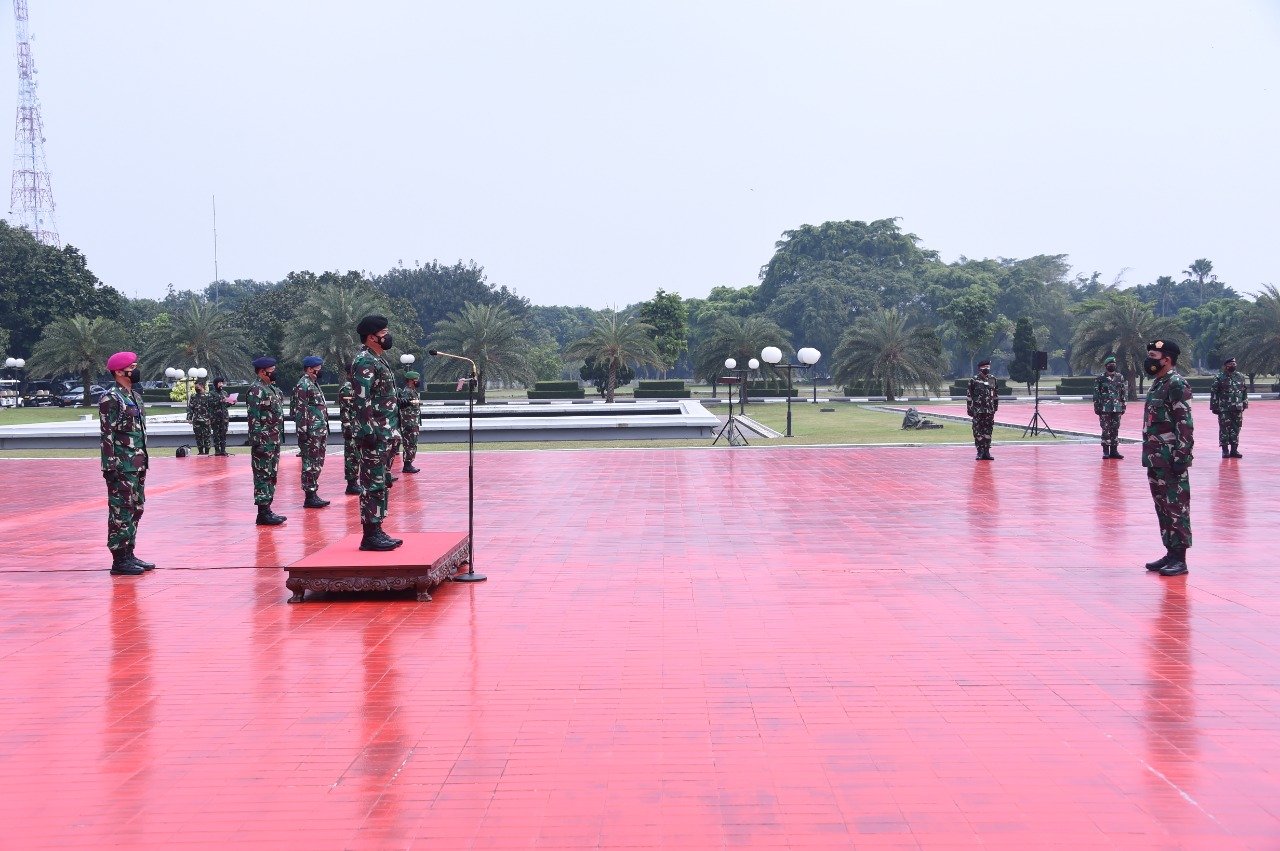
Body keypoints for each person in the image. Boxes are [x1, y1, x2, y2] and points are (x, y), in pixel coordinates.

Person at [1141, 339, 1194, 577]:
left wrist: (1182, 455)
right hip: (1155, 458)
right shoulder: (1158, 383)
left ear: (1167, 359)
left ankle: (1180, 559)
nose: (1150, 360)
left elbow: (1185, 423)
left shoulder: (1176, 383)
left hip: (1172, 458)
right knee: (1162, 507)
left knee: (1176, 507)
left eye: (1153, 355)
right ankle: (1170, 552)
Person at [100, 351, 154, 575]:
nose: (136, 370)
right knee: (121, 510)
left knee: (135, 508)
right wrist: (109, 466)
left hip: (138, 463)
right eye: (133, 367)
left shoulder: (134, 396)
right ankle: (119, 560)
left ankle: (129, 553)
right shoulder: (111, 398)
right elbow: (107, 435)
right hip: (121, 466)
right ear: (119, 371)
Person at [352, 315, 403, 551]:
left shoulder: (378, 359)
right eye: (383, 332)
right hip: (374, 434)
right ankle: (369, 535)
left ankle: (378, 528)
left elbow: (381, 397)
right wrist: (367, 429)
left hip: (386, 432)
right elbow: (362, 400)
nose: (387, 336)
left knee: (381, 482)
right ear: (371, 337)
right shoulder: (365, 361)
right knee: (372, 483)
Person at [247, 356, 287, 526]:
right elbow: (254, 419)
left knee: (271, 475)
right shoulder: (256, 390)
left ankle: (268, 509)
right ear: (262, 372)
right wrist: (258, 442)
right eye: (271, 371)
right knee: (262, 475)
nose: (274, 373)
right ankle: (262, 512)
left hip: (273, 439)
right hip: (263, 441)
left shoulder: (272, 389)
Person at [291, 355, 331, 508]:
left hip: (319, 429)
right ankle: (309, 496)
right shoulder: (303, 385)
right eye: (317, 369)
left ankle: (313, 492)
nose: (319, 371)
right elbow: (300, 410)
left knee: (317, 462)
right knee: (309, 463)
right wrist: (303, 431)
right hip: (310, 431)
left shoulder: (313, 383)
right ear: (309, 369)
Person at [1209, 356, 1247, 459]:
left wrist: (1244, 403)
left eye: (1235, 364)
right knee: (1224, 429)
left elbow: (1244, 391)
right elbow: (1214, 392)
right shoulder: (1219, 377)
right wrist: (1214, 406)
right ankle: (1225, 450)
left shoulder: (1240, 376)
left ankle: (1234, 450)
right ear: (1226, 366)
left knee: (1236, 429)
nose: (1233, 366)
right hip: (1224, 408)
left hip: (1237, 408)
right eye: (1231, 364)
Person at [1092, 355, 1127, 460]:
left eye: (1114, 364)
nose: (1112, 365)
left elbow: (1123, 392)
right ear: (1106, 366)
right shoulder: (1100, 378)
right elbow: (1096, 393)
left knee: (1115, 429)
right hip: (1104, 408)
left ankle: (1114, 451)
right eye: (1110, 364)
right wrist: (1096, 406)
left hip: (1117, 408)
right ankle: (1106, 451)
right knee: (1105, 429)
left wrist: (1123, 405)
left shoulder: (1120, 377)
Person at [966, 359, 999, 461]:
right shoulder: (974, 380)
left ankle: (987, 451)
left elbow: (995, 395)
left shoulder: (992, 379)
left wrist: (995, 407)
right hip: (978, 410)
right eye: (985, 368)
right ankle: (980, 451)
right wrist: (969, 409)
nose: (987, 369)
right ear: (980, 369)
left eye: (988, 367)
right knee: (977, 431)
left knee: (988, 430)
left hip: (989, 410)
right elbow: (969, 396)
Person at [338, 362, 360, 495]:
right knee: (351, 456)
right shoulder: (347, 388)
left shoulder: (357, 387)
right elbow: (344, 410)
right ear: (349, 373)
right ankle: (351, 484)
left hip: (358, 426)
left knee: (357, 455)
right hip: (351, 427)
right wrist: (347, 427)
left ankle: (355, 481)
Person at [398, 370, 422, 474]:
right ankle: (407, 465)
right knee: (409, 444)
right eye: (416, 380)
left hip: (413, 422)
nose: (418, 381)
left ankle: (409, 463)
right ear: (411, 381)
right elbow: (403, 408)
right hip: (409, 423)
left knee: (412, 443)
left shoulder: (412, 391)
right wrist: (407, 423)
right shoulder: (407, 392)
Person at [186, 379, 212, 455]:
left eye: (197, 387)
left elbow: (211, 408)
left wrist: (211, 418)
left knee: (207, 437)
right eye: (195, 387)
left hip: (206, 420)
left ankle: (207, 452)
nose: (196, 388)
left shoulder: (208, 396)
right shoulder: (193, 396)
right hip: (196, 420)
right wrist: (189, 418)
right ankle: (200, 451)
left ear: (202, 386)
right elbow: (190, 408)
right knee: (198, 437)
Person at [208, 376, 231, 456]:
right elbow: (210, 404)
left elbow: (226, 405)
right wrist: (220, 401)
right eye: (220, 383)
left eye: (222, 383)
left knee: (224, 433)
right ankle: (217, 450)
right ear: (216, 384)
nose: (221, 384)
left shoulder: (224, 393)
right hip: (215, 417)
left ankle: (223, 450)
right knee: (216, 434)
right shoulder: (211, 393)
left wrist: (231, 402)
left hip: (224, 417)